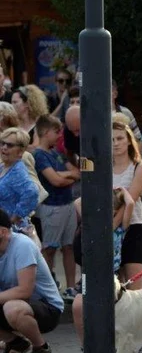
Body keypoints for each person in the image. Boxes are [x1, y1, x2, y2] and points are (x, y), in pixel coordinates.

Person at [0, 209, 64, 353]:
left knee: (13, 308)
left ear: (2, 232)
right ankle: (16, 343)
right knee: (11, 306)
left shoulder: (22, 245)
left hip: (47, 307)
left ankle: (41, 347)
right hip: (12, 303)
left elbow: (25, 290)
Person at [33, 115, 80, 297]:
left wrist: (64, 175)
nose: (60, 135)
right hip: (51, 207)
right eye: (56, 131)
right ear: (45, 132)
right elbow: (55, 180)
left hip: (67, 205)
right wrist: (67, 176)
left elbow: (77, 173)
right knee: (50, 248)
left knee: (68, 247)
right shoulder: (39, 155)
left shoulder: (57, 153)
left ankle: (69, 287)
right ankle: (47, 288)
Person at [111, 118, 142, 282]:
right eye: (111, 139)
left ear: (128, 140)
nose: (115, 143)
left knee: (135, 286)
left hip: (133, 227)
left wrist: (111, 228)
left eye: (119, 138)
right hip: (110, 229)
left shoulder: (139, 167)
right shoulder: (103, 168)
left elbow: (130, 200)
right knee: (114, 287)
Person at [0, 128, 43, 242]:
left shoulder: (18, 171)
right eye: (2, 143)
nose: (4, 147)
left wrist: (13, 219)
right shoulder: (3, 167)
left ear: (20, 151)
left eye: (9, 145)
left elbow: (32, 193)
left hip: (11, 234)